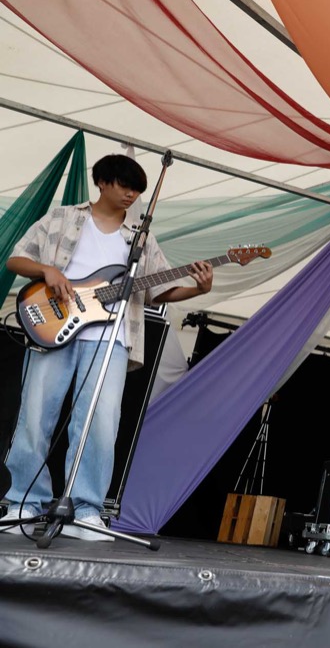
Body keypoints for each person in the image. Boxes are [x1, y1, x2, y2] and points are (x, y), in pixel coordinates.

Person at [1, 154, 213, 541]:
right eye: (124, 185)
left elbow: (159, 291)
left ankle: (85, 510)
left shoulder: (140, 239)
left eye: (137, 189)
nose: (131, 194)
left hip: (112, 339)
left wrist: (198, 289)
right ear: (102, 182)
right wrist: (48, 270)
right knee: (34, 417)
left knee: (100, 425)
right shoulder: (63, 217)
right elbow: (17, 258)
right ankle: (24, 503)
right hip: (52, 329)